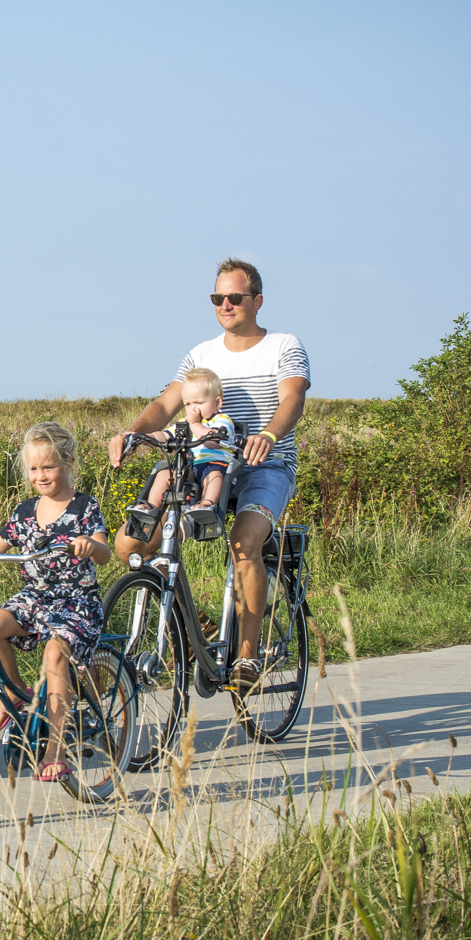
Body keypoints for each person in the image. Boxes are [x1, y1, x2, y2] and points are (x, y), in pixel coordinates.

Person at [108, 258, 310, 693]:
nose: (225, 305)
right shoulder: (200, 354)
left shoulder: (283, 345)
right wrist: (131, 433)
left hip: (263, 464)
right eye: (218, 298)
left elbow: (292, 399)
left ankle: (248, 655)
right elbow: (165, 406)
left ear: (257, 300)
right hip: (200, 464)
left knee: (244, 542)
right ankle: (191, 622)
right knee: (130, 543)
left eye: (235, 297)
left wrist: (270, 436)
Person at [0, 423, 110, 783]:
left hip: (75, 603)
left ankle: (56, 749)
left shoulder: (84, 507)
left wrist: (89, 546)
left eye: (48, 467)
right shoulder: (24, 510)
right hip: (35, 598)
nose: (40, 475)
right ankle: (15, 694)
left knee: (54, 655)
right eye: (34, 469)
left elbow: (106, 552)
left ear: (68, 463)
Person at [130, 367, 237, 517]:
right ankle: (151, 507)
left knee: (214, 476)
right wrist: (144, 438)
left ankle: (207, 504)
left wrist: (195, 425)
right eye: (187, 404)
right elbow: (165, 435)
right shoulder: (185, 423)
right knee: (164, 474)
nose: (193, 409)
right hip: (189, 467)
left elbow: (213, 441)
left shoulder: (222, 421)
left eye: (198, 402)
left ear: (217, 403)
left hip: (216, 465)